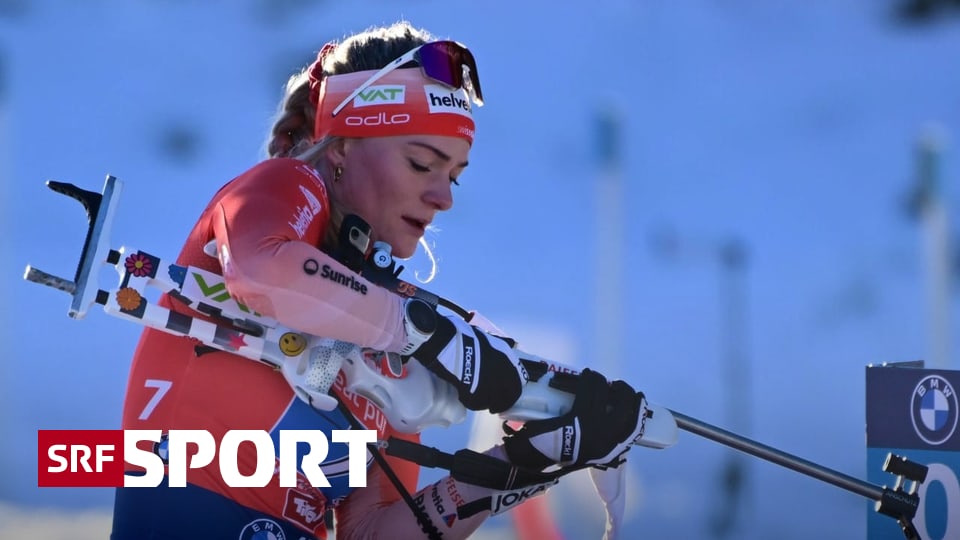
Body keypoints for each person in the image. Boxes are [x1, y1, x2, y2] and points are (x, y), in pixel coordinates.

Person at [110, 20, 647, 540]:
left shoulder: (383, 327)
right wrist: (426, 335)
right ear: (343, 145)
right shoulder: (289, 185)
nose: (445, 197)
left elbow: (372, 532)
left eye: (454, 176)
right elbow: (262, 270)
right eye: (422, 164)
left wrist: (525, 463)